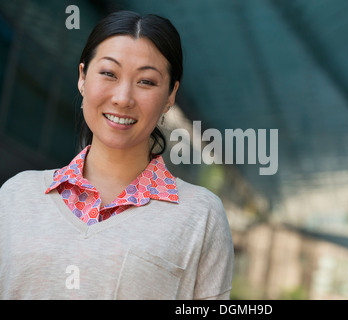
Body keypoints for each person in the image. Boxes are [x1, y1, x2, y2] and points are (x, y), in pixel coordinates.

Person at [0, 10, 234, 300]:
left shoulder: (200, 216)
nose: (123, 98)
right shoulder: (16, 197)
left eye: (146, 81)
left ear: (171, 95)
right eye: (109, 74)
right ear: (83, 77)